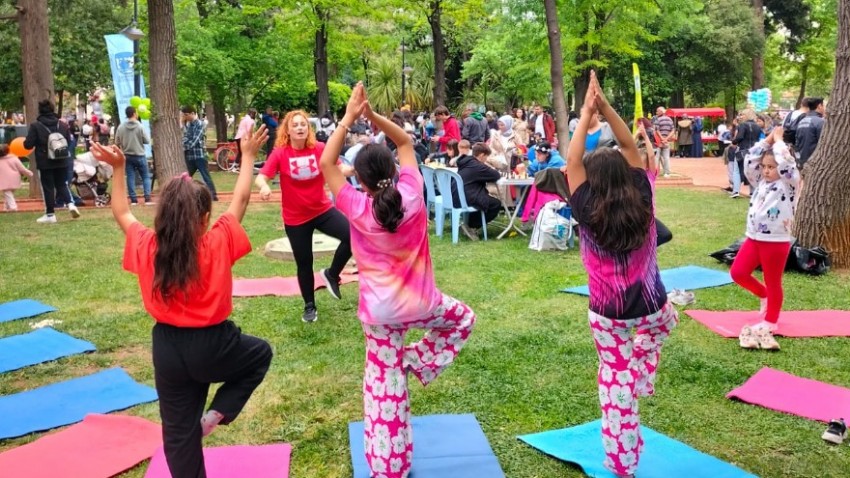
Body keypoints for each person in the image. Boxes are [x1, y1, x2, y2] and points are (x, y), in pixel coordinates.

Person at [89, 126, 273, 478]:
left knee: (178, 433)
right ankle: (218, 413)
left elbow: (122, 214)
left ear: (163, 217)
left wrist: (117, 170)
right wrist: (248, 157)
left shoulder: (148, 246)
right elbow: (242, 201)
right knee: (259, 355)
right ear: (204, 219)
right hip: (214, 345)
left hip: (168, 349)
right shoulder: (214, 243)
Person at [319, 83, 476, 478]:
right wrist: (373, 118)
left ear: (362, 180)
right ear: (393, 171)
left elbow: (326, 163)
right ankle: (414, 362)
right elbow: (405, 140)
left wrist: (349, 119)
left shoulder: (355, 205)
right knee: (464, 319)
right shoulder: (413, 191)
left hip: (381, 314)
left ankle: (390, 467)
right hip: (423, 304)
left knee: (383, 390)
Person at [566, 70, 678, 478]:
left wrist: (584, 113)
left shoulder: (585, 208)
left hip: (608, 316)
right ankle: (642, 374)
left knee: (615, 389)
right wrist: (605, 107)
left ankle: (622, 462)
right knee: (665, 325)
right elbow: (630, 145)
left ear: (592, 183)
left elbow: (573, 160)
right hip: (652, 307)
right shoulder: (644, 195)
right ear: (628, 176)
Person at [255, 109, 353, 323]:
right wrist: (263, 187)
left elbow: (339, 168)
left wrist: (355, 170)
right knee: (304, 262)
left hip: (322, 210)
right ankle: (309, 305)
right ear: (287, 130)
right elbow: (262, 176)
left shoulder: (319, 148)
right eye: (295, 125)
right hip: (295, 218)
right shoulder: (281, 152)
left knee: (353, 236)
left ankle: (332, 274)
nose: (300, 127)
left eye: (303, 125)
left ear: (308, 129)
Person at [734, 127, 799, 351]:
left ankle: (771, 321)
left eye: (772, 167)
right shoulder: (760, 182)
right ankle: (763, 295)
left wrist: (779, 143)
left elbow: (788, 165)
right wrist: (768, 140)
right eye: (765, 167)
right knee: (738, 273)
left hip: (776, 241)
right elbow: (750, 160)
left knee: (774, 282)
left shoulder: (789, 184)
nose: (767, 171)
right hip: (754, 237)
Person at [24, 99, 80, 223]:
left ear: (40, 111)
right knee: (61, 184)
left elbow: (28, 145)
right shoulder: (63, 125)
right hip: (62, 159)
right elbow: (69, 141)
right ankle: (71, 204)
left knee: (48, 187)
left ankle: (50, 215)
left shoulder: (36, 126)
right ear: (52, 110)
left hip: (45, 162)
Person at [115, 106, 153, 205]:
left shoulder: (121, 127)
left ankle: (133, 200)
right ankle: (147, 198)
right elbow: (147, 140)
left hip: (127, 155)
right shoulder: (140, 126)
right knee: (145, 176)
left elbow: (117, 141)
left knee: (130, 177)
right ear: (134, 114)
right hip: (140, 154)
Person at [181, 106, 218, 201]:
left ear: (193, 113)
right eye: (184, 115)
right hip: (190, 156)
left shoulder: (200, 124)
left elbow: (195, 140)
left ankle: (213, 195)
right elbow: (184, 138)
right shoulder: (188, 125)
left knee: (205, 176)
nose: (185, 117)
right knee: (185, 177)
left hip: (200, 156)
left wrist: (183, 146)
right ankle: (184, 195)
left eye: (186, 115)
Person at [0, 143, 34, 211]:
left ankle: (13, 207)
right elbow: (22, 168)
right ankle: (6, 207)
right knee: (9, 193)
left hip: (4, 180)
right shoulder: (14, 158)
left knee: (8, 193)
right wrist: (29, 173)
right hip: (14, 179)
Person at [794, 97, 825, 171]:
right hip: (814, 163)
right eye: (824, 106)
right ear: (819, 106)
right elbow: (823, 143)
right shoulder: (820, 122)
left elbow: (797, 142)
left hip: (801, 161)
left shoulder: (802, 121)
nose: (825, 108)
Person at [652, 107, 675, 177]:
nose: (656, 113)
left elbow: (656, 130)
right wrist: (666, 139)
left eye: (657, 111)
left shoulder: (657, 120)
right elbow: (673, 130)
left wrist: (662, 139)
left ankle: (655, 173)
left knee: (656, 157)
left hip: (658, 142)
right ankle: (667, 173)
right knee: (666, 158)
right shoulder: (670, 120)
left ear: (661, 112)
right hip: (666, 142)